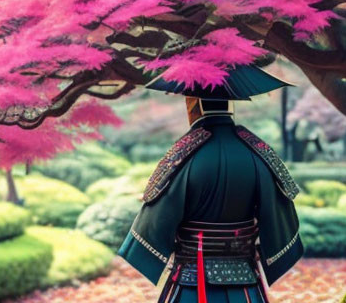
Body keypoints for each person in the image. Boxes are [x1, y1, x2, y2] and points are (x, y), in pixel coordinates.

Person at [118, 63, 303, 303]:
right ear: (232, 100)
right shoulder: (259, 152)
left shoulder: (184, 154)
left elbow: (154, 224)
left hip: (191, 283)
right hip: (246, 286)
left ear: (195, 101)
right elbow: (279, 216)